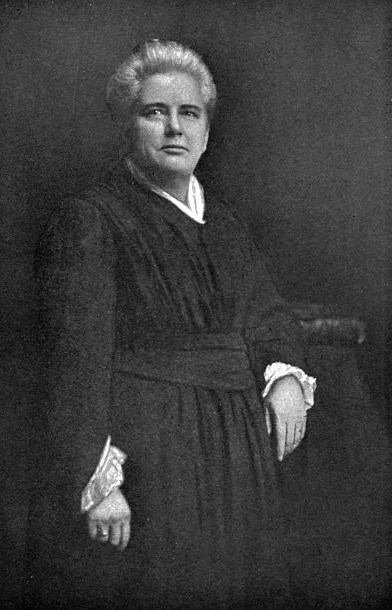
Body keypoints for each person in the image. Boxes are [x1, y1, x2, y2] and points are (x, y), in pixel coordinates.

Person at [25, 40, 316, 609]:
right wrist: (97, 481)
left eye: (190, 113)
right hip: (149, 452)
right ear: (127, 125)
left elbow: (266, 315)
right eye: (154, 112)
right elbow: (73, 364)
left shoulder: (225, 225)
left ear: (206, 130)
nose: (174, 128)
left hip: (235, 449)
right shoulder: (92, 219)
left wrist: (284, 375)